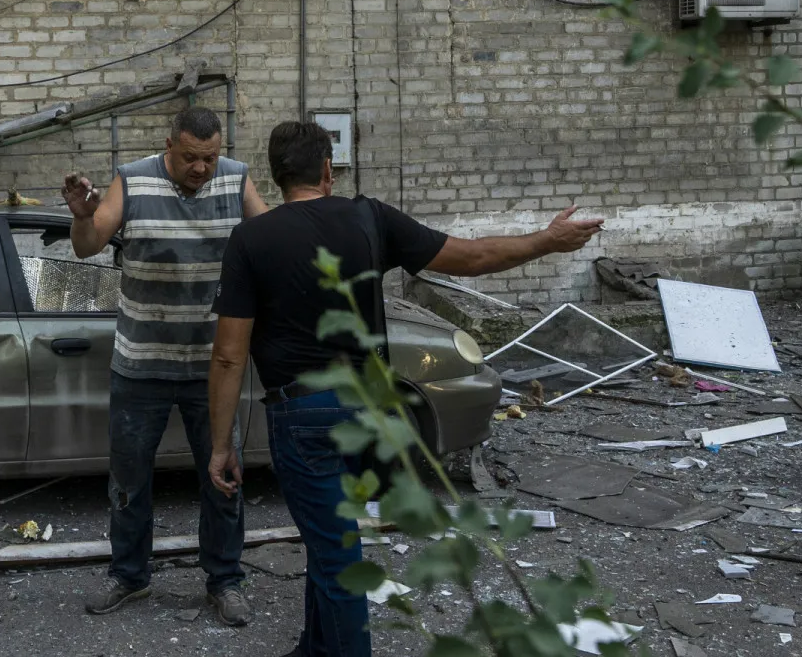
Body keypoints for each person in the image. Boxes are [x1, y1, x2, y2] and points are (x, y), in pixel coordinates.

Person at [206, 120, 604, 657]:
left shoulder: (250, 239)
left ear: (277, 176)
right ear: (328, 169)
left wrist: (221, 444)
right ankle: (315, 647)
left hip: (303, 417)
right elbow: (475, 258)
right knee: (333, 545)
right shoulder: (371, 219)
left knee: (336, 554)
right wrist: (548, 241)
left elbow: (229, 353)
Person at [62, 105, 269, 627]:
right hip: (140, 366)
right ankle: (129, 576)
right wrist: (83, 216)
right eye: (191, 157)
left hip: (212, 368)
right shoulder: (131, 181)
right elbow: (88, 246)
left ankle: (225, 580)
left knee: (223, 478)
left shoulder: (237, 178)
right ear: (168, 145)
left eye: (210, 157)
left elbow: (271, 241)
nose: (202, 168)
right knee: (128, 481)